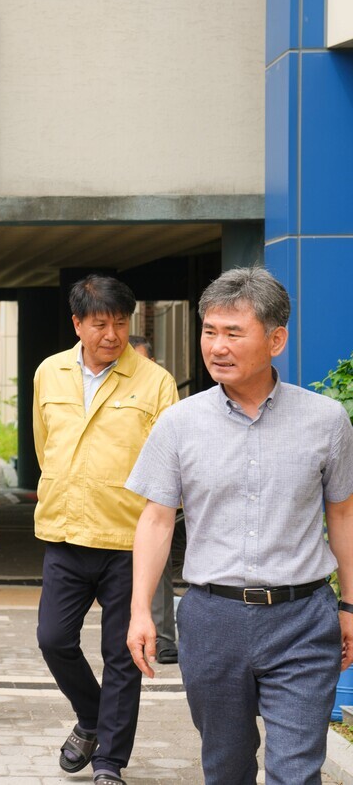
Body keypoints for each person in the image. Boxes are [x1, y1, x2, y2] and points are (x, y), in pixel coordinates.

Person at [126, 267, 353, 785]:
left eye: (234, 332)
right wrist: (141, 611)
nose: (217, 347)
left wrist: (349, 605)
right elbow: (157, 519)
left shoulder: (325, 420)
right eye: (210, 331)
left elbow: (342, 514)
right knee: (225, 768)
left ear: (276, 339)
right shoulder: (179, 423)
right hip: (212, 619)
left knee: (296, 771)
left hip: (302, 619)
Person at [33, 275, 178, 785]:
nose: (112, 333)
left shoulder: (154, 381)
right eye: (100, 323)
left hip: (128, 540)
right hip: (66, 534)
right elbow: (43, 443)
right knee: (53, 640)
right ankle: (93, 718)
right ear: (78, 324)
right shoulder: (49, 373)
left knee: (123, 655)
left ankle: (109, 762)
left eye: (121, 322)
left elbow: (167, 465)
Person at [126, 334, 179, 666]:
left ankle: (164, 637)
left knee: (160, 566)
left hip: (154, 494)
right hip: (115, 498)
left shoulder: (161, 391)